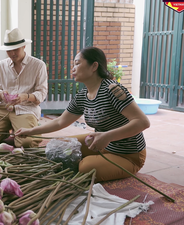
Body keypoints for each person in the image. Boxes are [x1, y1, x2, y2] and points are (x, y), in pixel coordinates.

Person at [16, 46, 150, 182]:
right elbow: (60, 122)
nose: (73, 69)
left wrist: (107, 136)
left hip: (127, 155)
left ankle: (97, 162)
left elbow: (142, 122)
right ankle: (96, 160)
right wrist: (30, 131)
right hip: (99, 145)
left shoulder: (112, 90)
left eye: (77, 63)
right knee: (59, 147)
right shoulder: (82, 96)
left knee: (85, 168)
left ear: (94, 66)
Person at [0, 28, 48, 148]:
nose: (13, 53)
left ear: (24, 46)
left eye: (16, 49)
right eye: (9, 50)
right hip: (3, 108)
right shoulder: (1, 65)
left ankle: (25, 130)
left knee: (27, 143)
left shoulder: (38, 65)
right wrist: (1, 94)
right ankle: (10, 130)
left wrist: (25, 97)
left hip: (26, 109)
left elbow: (41, 94)